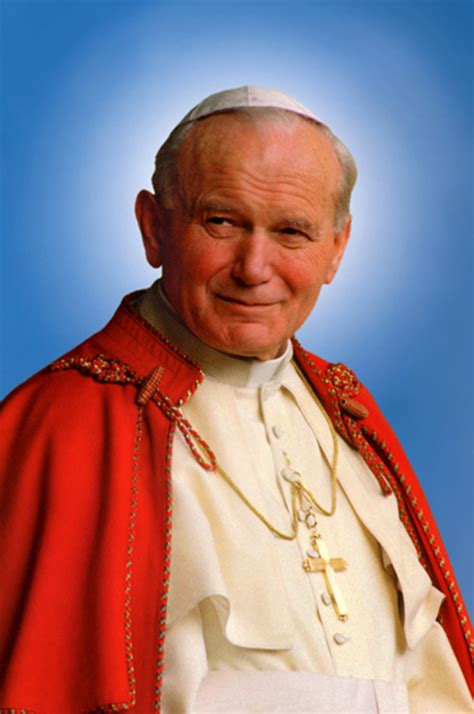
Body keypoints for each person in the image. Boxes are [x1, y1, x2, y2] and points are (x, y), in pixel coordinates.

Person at [0, 86, 472, 714]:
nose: (254, 267)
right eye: (222, 222)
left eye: (292, 232)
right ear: (153, 227)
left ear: (337, 249)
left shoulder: (349, 412)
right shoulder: (62, 421)